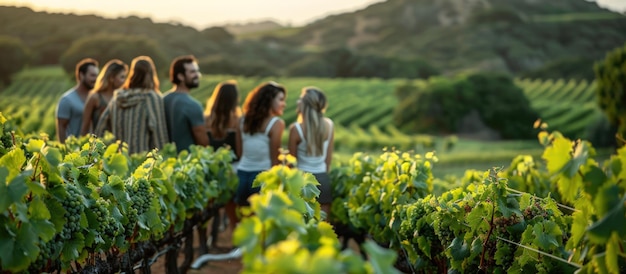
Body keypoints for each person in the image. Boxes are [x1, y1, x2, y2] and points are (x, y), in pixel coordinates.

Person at [95, 56, 169, 154]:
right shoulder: (151, 97)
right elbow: (158, 133)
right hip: (142, 161)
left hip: (118, 159)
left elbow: (101, 127)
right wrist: (163, 157)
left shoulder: (118, 97)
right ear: (151, 74)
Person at [235, 81, 286, 206]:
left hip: (241, 176)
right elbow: (275, 160)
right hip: (262, 178)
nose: (283, 104)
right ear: (270, 100)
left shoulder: (242, 120)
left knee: (244, 222)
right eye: (280, 100)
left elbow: (239, 152)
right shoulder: (276, 123)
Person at [204, 80, 242, 241]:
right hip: (233, 168)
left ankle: (208, 236)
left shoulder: (206, 118)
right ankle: (235, 234)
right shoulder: (237, 120)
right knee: (233, 206)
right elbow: (240, 151)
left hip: (212, 168)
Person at [288, 87, 334, 216]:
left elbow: (291, 164)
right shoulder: (329, 125)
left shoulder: (296, 129)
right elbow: (328, 160)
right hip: (322, 180)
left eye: (300, 99)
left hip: (302, 182)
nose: (298, 102)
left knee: (302, 227)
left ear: (305, 104)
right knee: (322, 226)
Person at [163, 55, 208, 153]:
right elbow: (202, 140)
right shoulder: (193, 105)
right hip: (187, 162)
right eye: (192, 72)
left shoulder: (162, 100)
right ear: (180, 76)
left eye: (197, 71)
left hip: (164, 159)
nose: (197, 75)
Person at [55, 58, 99, 143]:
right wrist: (65, 150)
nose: (96, 79)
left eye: (97, 75)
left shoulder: (96, 98)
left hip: (93, 150)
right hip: (74, 150)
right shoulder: (67, 100)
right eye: (92, 75)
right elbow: (61, 128)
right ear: (81, 75)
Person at [80, 59, 128, 136]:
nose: (124, 81)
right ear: (112, 77)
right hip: (100, 145)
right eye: (122, 77)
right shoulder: (95, 97)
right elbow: (85, 127)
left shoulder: (123, 97)